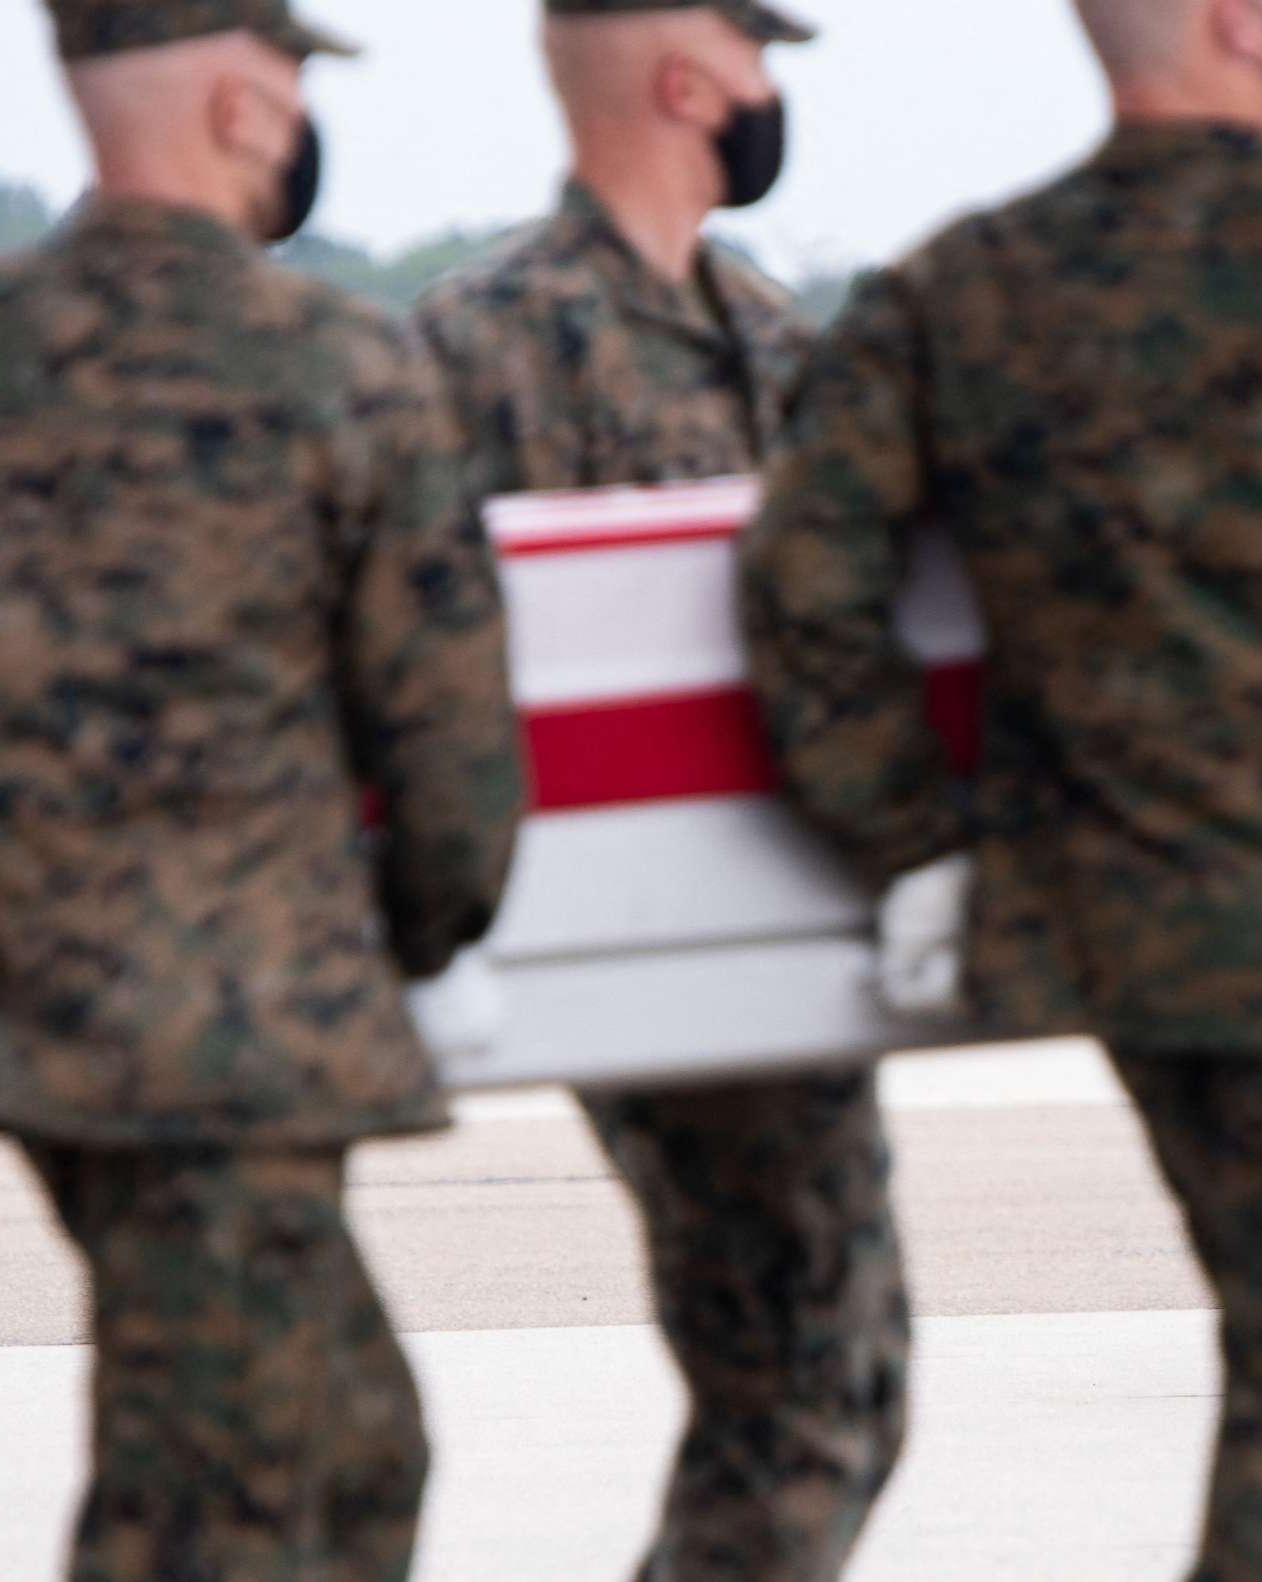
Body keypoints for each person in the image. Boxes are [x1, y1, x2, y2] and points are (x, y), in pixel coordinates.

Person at [0, 1, 528, 1574]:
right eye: (283, 79)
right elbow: (453, 731)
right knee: (212, 1499)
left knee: (354, 1447)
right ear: (237, 103)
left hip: (49, 1010)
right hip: (268, 1023)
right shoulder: (339, 363)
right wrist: (422, 935)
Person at [738, 1, 1262, 1575]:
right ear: (1244, 25)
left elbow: (804, 591)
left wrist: (918, 830)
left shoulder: (960, 291)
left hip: (1120, 925)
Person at [413, 5, 909, 1577]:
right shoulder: (473, 343)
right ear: (689, 81)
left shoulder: (762, 328)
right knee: (806, 1379)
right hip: (632, 936)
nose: (772, 97)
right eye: (757, 61)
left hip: (775, 922)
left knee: (840, 1377)